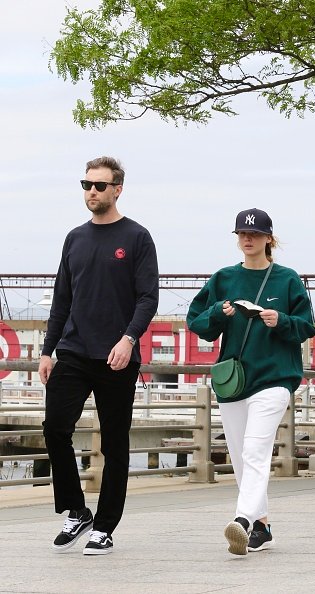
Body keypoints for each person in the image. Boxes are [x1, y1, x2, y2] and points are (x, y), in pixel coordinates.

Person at [39, 156, 159, 556]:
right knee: (55, 427)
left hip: (116, 357)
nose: (92, 191)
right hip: (72, 352)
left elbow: (148, 298)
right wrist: (46, 351)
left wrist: (128, 339)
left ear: (117, 189)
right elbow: (62, 299)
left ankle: (105, 526)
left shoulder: (138, 237)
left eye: (100, 185)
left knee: (114, 444)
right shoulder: (74, 238)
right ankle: (77, 510)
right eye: (86, 184)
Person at [187, 208, 315, 556]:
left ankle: (242, 521)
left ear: (268, 239)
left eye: (255, 234)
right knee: (242, 458)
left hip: (275, 379)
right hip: (234, 381)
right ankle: (262, 527)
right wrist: (218, 312)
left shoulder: (287, 279)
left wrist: (281, 320)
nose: (248, 239)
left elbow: (306, 326)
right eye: (242, 234)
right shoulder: (223, 278)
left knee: (255, 450)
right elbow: (197, 324)